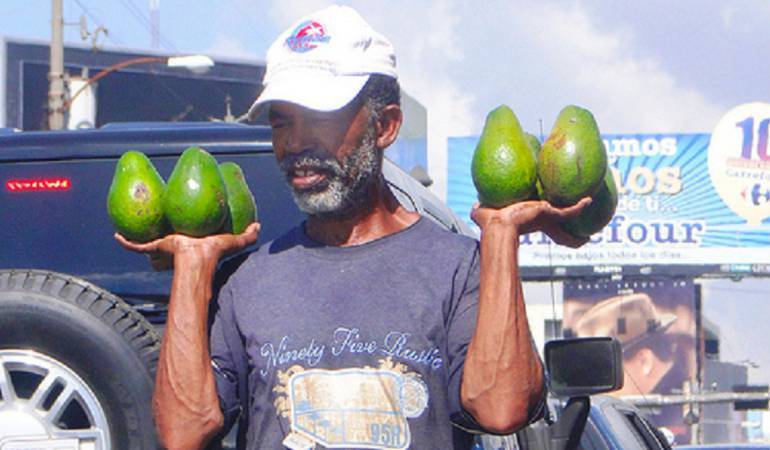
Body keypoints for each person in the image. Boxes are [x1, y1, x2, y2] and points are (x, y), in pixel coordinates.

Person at [117, 5, 590, 449]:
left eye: (319, 118)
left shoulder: (460, 268)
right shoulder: (246, 281)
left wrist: (501, 234)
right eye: (282, 123)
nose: (295, 143)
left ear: (385, 126)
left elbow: (501, 409)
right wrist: (193, 264)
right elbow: (184, 432)